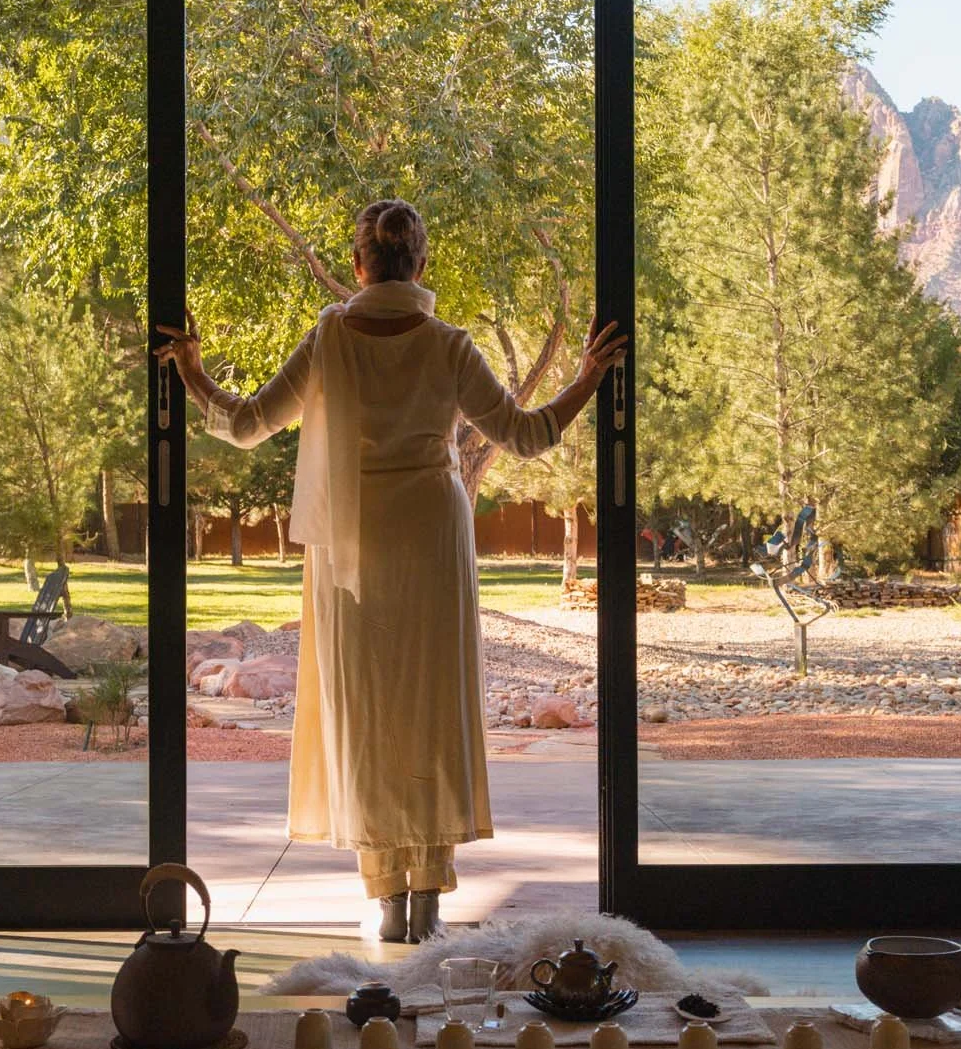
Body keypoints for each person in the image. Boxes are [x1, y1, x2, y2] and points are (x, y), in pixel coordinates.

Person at [158, 199, 625, 944]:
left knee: (368, 713)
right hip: (434, 540)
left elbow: (245, 424)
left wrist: (192, 370)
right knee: (430, 712)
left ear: (356, 265)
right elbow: (528, 434)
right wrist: (588, 376)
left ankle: (388, 900)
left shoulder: (329, 338)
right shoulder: (447, 344)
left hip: (352, 550)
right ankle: (429, 903)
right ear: (423, 262)